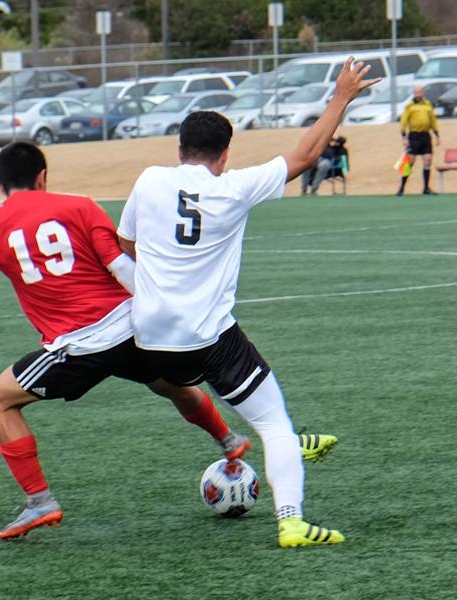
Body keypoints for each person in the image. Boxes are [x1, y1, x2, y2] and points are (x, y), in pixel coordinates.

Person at [0, 142, 255, 541]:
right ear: (42, 177)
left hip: (79, 345)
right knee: (169, 385)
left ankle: (40, 501)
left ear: (1, 184)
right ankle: (229, 439)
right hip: (131, 327)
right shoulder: (79, 205)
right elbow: (122, 267)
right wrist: (162, 311)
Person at [117, 57, 379, 548]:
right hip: (208, 337)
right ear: (225, 154)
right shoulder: (233, 188)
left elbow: (126, 245)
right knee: (273, 422)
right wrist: (341, 97)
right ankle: (292, 521)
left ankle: (283, 441)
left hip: (148, 338)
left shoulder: (149, 179)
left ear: (179, 150)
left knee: (211, 392)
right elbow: (303, 157)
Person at [396, 84, 440, 196]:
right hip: (414, 136)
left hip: (425, 136)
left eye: (419, 92)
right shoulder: (409, 106)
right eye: (415, 92)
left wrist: (437, 134)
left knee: (428, 160)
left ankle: (426, 188)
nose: (417, 94)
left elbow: (433, 121)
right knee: (409, 162)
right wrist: (404, 137)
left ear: (422, 93)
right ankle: (401, 187)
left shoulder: (428, 105)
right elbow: (404, 122)